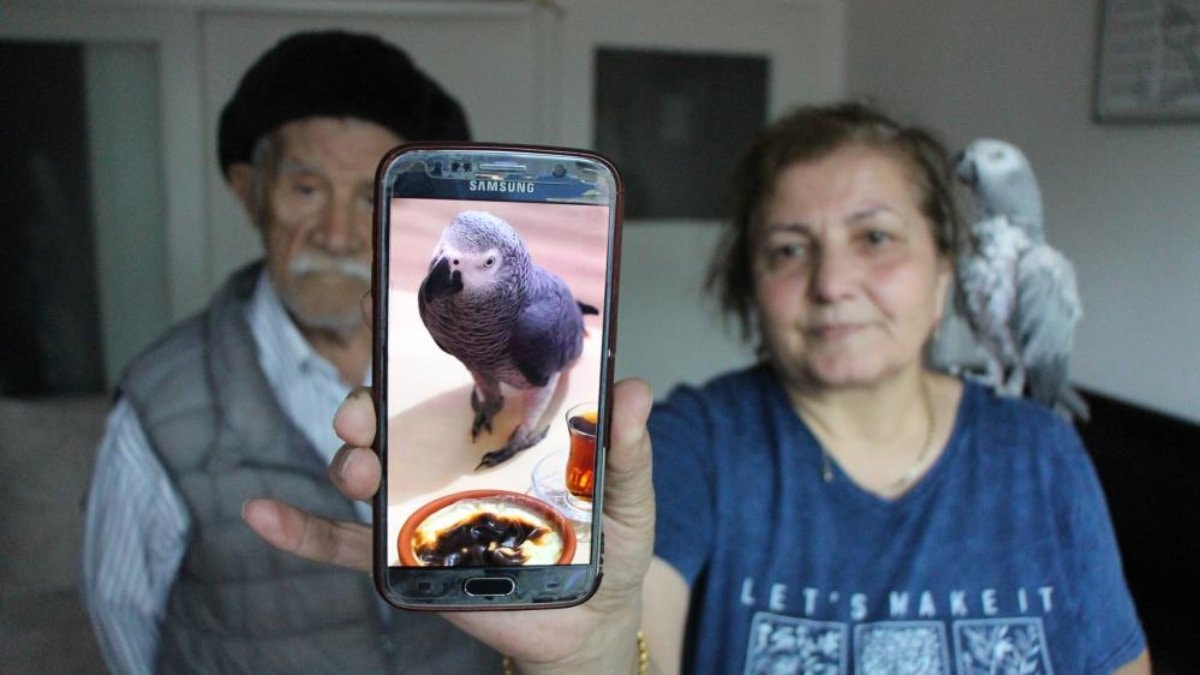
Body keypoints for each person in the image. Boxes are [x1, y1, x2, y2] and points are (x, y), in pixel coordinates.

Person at [243, 102, 1151, 674]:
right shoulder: (695, 442)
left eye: (875, 237)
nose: (833, 282)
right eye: (789, 248)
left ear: (946, 268)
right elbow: (639, 622)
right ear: (751, 284)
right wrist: (592, 655)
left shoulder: (1044, 451)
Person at [81, 30, 498, 674]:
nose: (337, 235)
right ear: (250, 190)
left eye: (371, 198)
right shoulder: (161, 406)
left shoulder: (476, 367)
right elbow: (123, 621)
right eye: (306, 190)